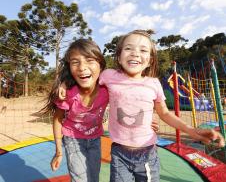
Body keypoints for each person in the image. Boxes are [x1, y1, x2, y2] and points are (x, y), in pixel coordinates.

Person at [59, 30, 225, 182]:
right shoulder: (109, 76)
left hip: (146, 153)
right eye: (128, 48)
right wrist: (64, 84)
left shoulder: (153, 84)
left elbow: (165, 114)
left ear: (150, 60)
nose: (135, 53)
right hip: (119, 153)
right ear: (118, 56)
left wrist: (192, 131)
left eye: (143, 50)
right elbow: (86, 74)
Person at [44, 38, 159, 182]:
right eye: (75, 62)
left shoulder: (107, 89)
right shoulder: (68, 93)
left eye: (89, 60)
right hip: (73, 138)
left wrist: (149, 120)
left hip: (94, 139)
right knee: (80, 179)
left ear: (101, 65)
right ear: (69, 67)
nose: (82, 67)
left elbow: (131, 100)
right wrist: (59, 151)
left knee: (93, 177)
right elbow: (57, 119)